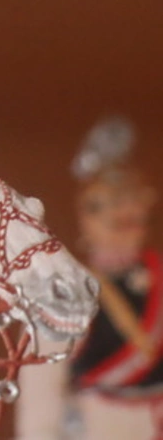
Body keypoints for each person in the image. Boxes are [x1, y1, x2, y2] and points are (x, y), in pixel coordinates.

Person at [16, 117, 163, 440]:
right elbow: (41, 401)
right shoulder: (63, 293)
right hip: (103, 426)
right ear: (85, 217)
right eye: (105, 206)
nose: (122, 214)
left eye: (131, 201)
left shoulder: (158, 273)